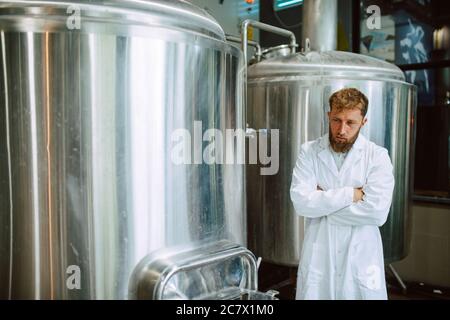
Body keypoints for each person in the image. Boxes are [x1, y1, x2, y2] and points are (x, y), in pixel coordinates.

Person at [290, 88, 395, 300]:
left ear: (363, 122)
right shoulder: (309, 151)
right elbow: (301, 203)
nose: (342, 129)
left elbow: (377, 213)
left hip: (360, 258)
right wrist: (352, 194)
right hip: (320, 255)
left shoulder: (377, 156)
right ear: (328, 115)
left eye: (350, 123)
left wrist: (322, 204)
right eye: (336, 120)